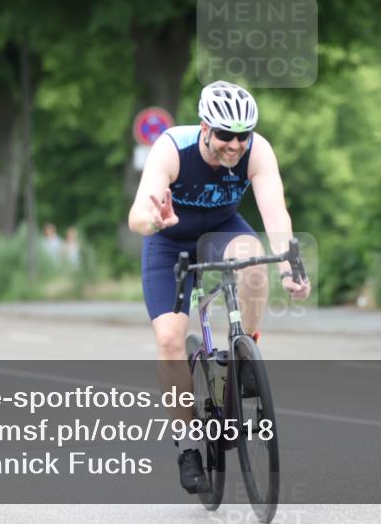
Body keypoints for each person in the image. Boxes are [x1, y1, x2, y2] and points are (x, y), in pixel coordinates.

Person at [127, 80, 310, 494]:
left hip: (223, 229)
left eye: (242, 136)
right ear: (205, 127)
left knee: (254, 262)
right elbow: (138, 214)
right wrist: (154, 220)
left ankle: (244, 353)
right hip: (169, 239)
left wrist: (290, 267)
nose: (234, 145)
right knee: (170, 340)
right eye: (225, 135)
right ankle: (188, 444)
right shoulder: (173, 147)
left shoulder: (256, 151)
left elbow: (275, 212)